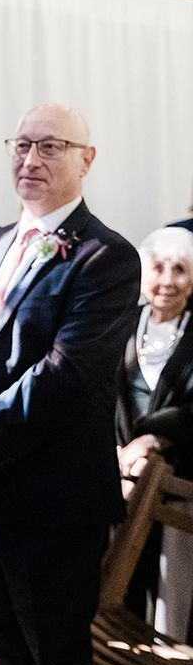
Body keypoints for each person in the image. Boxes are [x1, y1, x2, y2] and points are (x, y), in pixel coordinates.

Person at [0, 103, 141, 665]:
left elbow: (65, 375)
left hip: (49, 505)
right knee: (1, 656)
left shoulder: (107, 256)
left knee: (54, 661)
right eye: (21, 145)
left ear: (86, 159)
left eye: (50, 146)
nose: (31, 159)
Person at [115, 226, 193, 642]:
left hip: (178, 488)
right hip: (120, 482)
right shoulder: (122, 324)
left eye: (179, 270)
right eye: (158, 268)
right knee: (116, 590)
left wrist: (152, 439)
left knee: (172, 604)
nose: (166, 280)